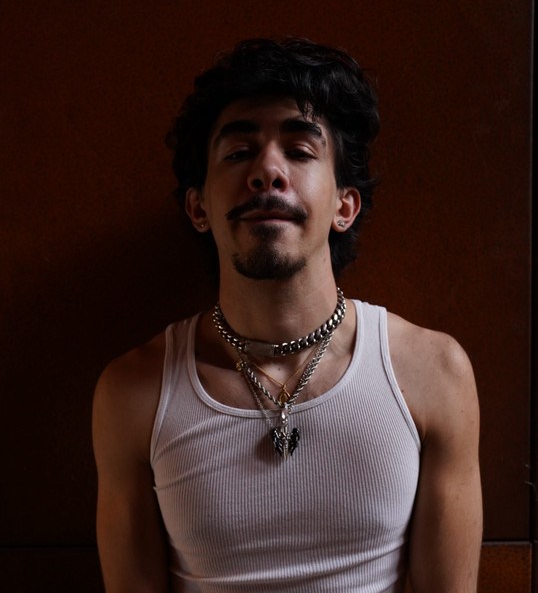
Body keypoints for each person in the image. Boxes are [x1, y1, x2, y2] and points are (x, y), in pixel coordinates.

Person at [92, 37, 482, 592]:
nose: (267, 172)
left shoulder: (432, 374)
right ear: (198, 207)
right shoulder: (134, 392)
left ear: (345, 205)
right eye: (238, 153)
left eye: (299, 151)